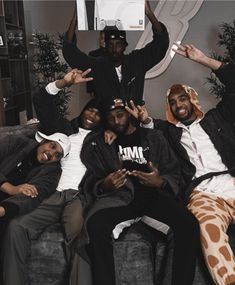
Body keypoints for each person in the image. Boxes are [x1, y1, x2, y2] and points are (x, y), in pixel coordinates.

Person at [127, 44, 235, 285]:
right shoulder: (168, 132)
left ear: (193, 98)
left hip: (231, 181)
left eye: (182, 98)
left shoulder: (218, 118)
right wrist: (144, 121)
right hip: (202, 194)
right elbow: (147, 131)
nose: (178, 105)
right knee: (207, 228)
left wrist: (204, 59)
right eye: (172, 102)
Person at [77, 97, 200, 285]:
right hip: (121, 199)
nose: (117, 121)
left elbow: (173, 169)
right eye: (111, 118)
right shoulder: (101, 142)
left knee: (188, 224)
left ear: (129, 113)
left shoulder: (154, 137)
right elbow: (92, 175)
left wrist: (160, 181)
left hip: (154, 198)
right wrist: (104, 185)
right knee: (95, 225)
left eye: (120, 115)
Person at [0, 69, 101, 285]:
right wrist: (63, 82)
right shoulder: (62, 131)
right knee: (16, 227)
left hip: (77, 196)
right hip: (52, 194)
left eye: (98, 114)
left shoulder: (103, 141)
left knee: (80, 233)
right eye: (90, 110)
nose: (92, 116)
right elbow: (41, 100)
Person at [63, 0, 169, 104]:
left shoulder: (137, 61)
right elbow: (70, 53)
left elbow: (161, 44)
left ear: (125, 46)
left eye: (118, 44)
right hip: (106, 119)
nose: (114, 49)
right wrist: (74, 21)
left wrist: (149, 13)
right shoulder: (97, 66)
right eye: (110, 45)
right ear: (105, 46)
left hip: (133, 119)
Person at [0, 130, 69, 235]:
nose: (51, 153)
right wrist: (10, 188)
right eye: (52, 146)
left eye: (57, 155)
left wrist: (3, 209)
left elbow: (33, 195)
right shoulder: (16, 142)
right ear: (43, 141)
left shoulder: (53, 172)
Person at [86, 31, 106, 96]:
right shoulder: (93, 54)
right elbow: (89, 73)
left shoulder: (115, 54)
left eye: (105, 38)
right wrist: (90, 90)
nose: (103, 41)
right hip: (97, 88)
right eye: (102, 38)